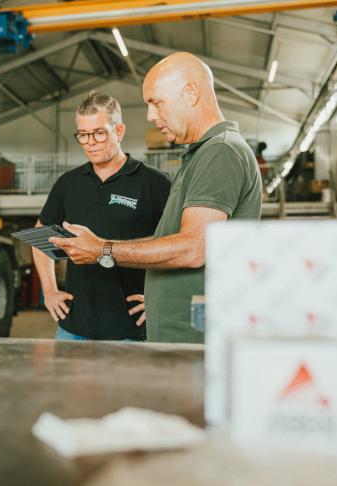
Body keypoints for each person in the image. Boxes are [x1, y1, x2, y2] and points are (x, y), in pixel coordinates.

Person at [50, 52, 263, 344]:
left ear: (191, 92)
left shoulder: (220, 152)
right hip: (177, 337)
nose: (150, 116)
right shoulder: (201, 155)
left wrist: (103, 249)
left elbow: (192, 248)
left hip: (191, 341)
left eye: (156, 102)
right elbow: (176, 240)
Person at [33, 91, 171, 341]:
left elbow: (177, 247)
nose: (91, 142)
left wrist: (162, 299)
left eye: (99, 133)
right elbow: (41, 237)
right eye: (83, 135)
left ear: (119, 131)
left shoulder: (155, 184)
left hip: (132, 330)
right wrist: (50, 290)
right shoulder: (68, 184)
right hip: (73, 328)